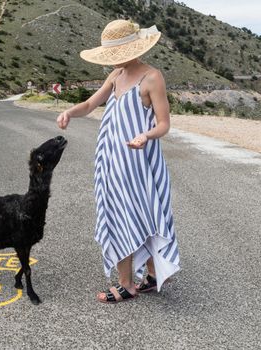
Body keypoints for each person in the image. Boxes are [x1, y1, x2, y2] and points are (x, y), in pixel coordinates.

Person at [56, 19, 180, 303]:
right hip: (111, 161)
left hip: (140, 164)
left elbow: (164, 124)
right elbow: (90, 104)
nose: (118, 60)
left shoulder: (151, 77)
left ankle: (130, 284)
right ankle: (141, 279)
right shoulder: (115, 76)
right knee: (118, 215)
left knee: (140, 216)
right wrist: (69, 113)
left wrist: (145, 136)